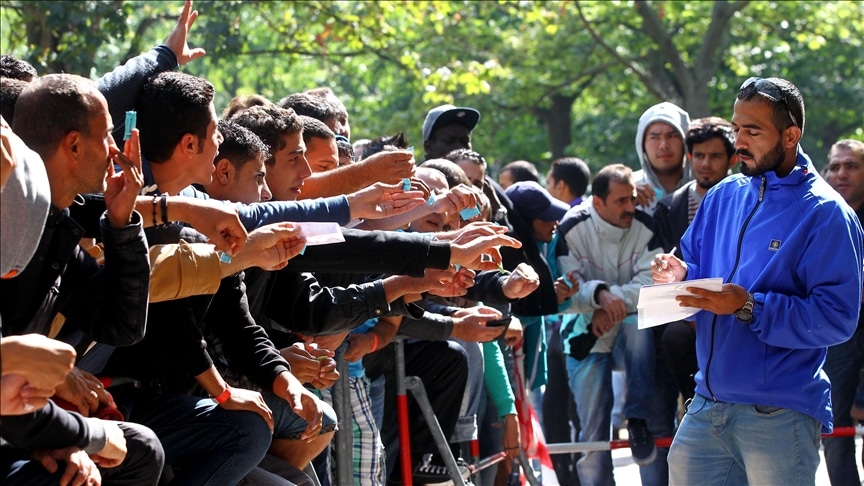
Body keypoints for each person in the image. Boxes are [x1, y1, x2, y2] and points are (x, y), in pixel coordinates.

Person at [653, 77, 863, 486]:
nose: (739, 142)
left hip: (779, 414)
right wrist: (678, 276)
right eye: (737, 128)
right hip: (706, 405)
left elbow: (837, 318)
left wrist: (749, 306)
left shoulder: (827, 213)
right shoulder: (722, 195)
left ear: (790, 136)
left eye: (752, 131)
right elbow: (695, 269)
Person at [556, 164, 665, 484]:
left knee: (636, 326)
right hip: (585, 334)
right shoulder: (571, 227)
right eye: (621, 201)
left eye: (632, 198)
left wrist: (609, 301)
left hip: (627, 329)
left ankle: (637, 419)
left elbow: (654, 283)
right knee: (592, 437)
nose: (630, 207)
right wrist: (598, 295)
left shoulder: (646, 225)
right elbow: (564, 293)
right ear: (597, 202)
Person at [653, 116, 737, 403]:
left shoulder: (745, 204)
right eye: (699, 155)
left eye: (715, 156)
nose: (706, 163)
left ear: (733, 159)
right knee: (672, 338)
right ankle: (694, 407)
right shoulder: (669, 209)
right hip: (683, 310)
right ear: (689, 157)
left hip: (735, 306)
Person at [821, 138, 864, 486]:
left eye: (851, 166)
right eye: (835, 167)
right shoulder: (819, 215)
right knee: (833, 425)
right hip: (835, 334)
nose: (841, 174)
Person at [632, 102, 692, 213]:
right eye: (655, 137)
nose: (664, 145)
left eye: (672, 136)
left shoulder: (705, 189)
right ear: (642, 145)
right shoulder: (628, 190)